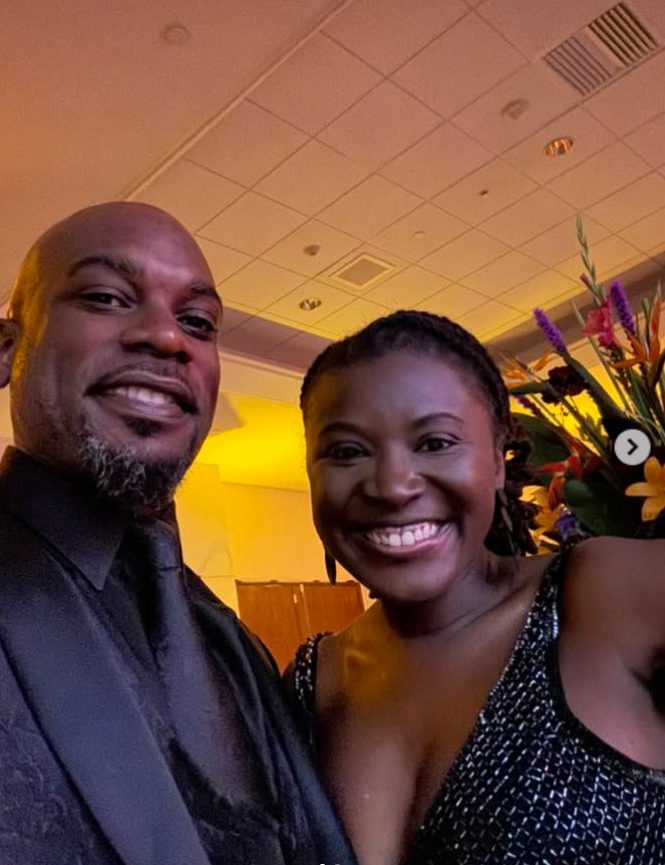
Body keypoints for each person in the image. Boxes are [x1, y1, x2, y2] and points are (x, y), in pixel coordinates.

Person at [0, 202, 355, 865]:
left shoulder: (227, 637)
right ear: (8, 348)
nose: (169, 339)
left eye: (197, 321)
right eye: (106, 297)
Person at [289, 309, 665, 865]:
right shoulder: (310, 682)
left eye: (435, 442)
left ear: (495, 459)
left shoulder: (605, 593)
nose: (392, 486)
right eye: (346, 451)